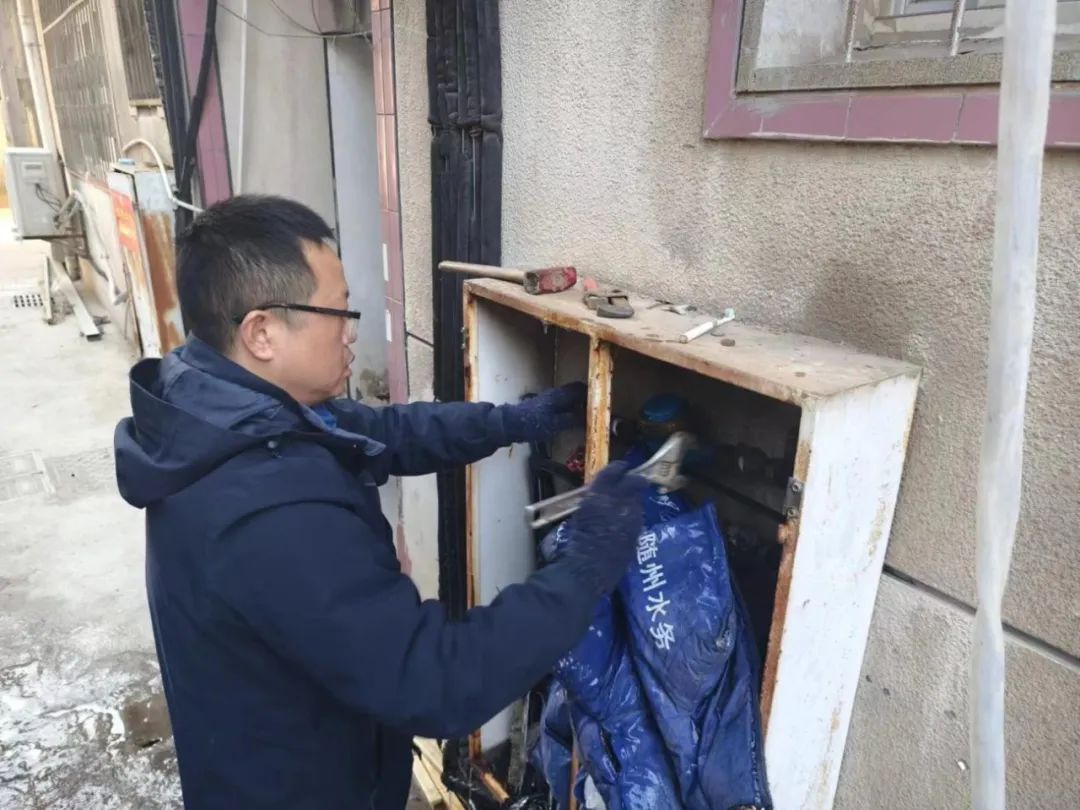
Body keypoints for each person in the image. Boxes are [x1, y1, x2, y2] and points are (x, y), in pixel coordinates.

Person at [113, 195, 648, 810]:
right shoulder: (268, 510)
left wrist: (512, 421)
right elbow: (435, 680)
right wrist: (584, 569)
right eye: (338, 311)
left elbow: (383, 432)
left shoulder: (221, 407)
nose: (351, 331)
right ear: (261, 332)